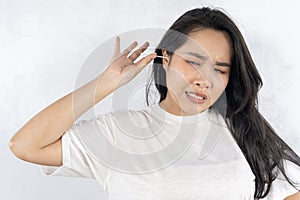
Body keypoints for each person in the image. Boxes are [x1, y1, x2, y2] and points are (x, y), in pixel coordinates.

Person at [9, 7, 300, 200]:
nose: (204, 80)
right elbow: (25, 145)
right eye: (193, 62)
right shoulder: (118, 132)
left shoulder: (242, 132)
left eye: (220, 69)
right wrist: (105, 84)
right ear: (166, 57)